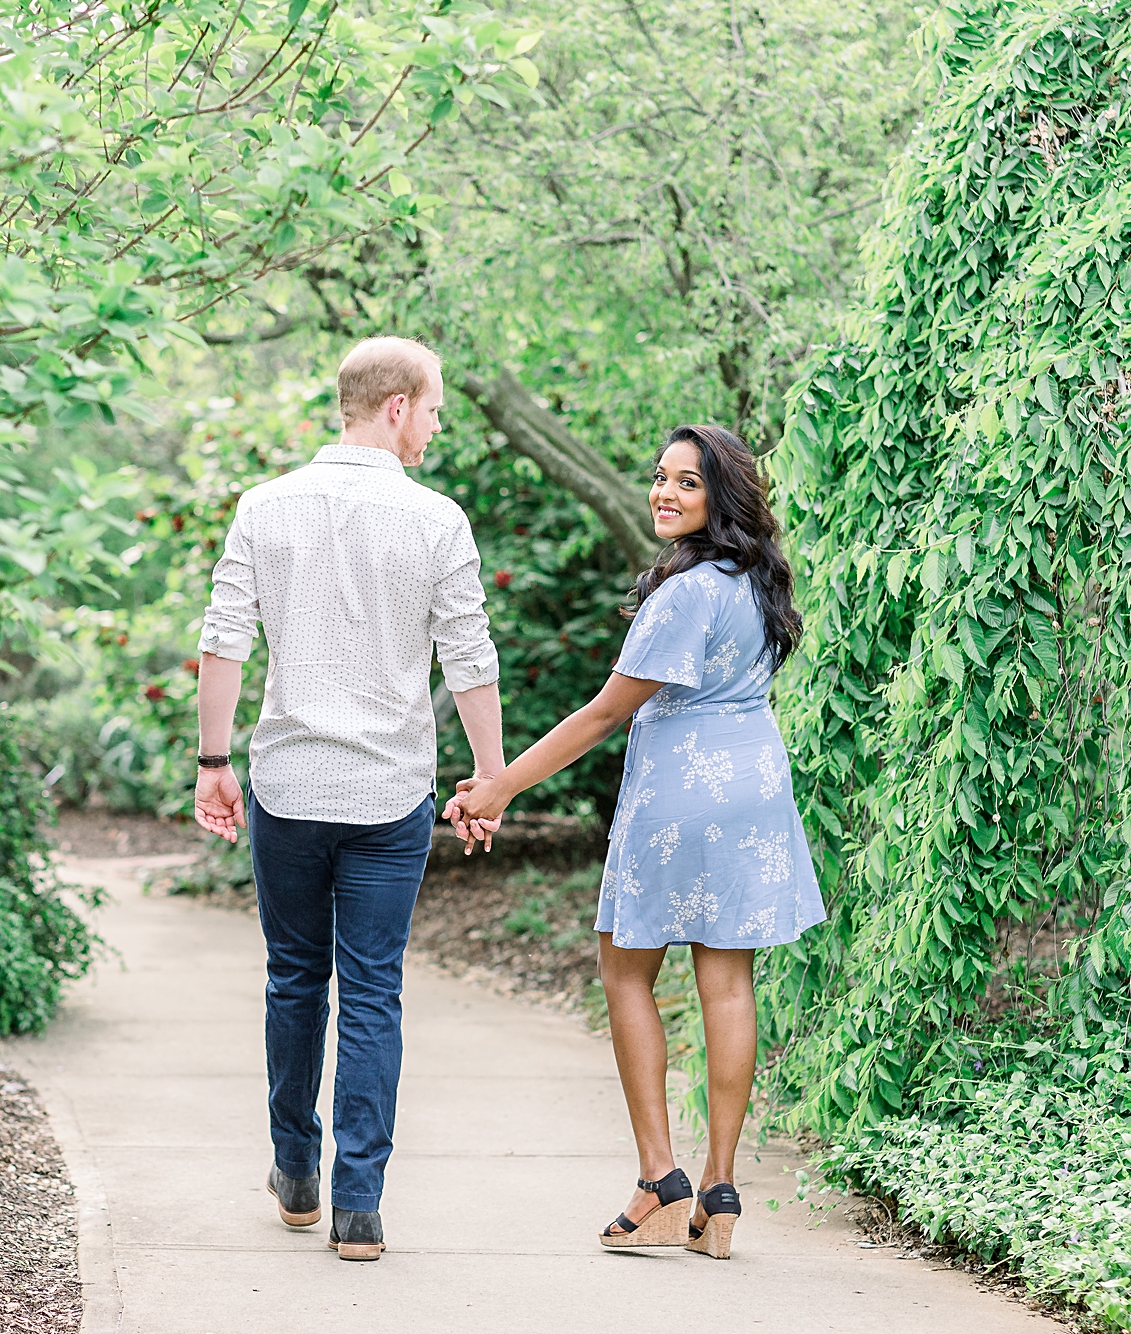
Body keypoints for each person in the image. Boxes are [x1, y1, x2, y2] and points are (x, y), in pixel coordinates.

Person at [446, 423, 824, 1259]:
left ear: (720, 497)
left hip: (683, 787)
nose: (664, 492)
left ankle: (661, 1177)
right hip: (755, 785)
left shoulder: (684, 594)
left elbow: (606, 711)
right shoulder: (754, 578)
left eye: (687, 483)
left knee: (626, 966)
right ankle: (719, 1191)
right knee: (727, 978)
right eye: (660, 477)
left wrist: (501, 783)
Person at [192, 336, 505, 1262]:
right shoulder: (437, 520)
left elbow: (223, 641)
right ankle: (358, 1205)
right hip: (387, 795)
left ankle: (295, 1171)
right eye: (435, 408)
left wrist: (214, 761)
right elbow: (470, 656)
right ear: (398, 405)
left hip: (288, 785)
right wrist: (488, 778)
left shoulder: (265, 505)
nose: (437, 426)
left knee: (295, 976)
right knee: (374, 988)